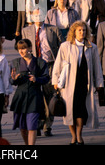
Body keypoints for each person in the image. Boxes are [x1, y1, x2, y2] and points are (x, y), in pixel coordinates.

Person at [52, 21, 104, 145]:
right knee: (70, 112)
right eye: (79, 30)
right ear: (74, 32)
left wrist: (99, 83)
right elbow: (58, 63)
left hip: (84, 84)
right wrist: (55, 80)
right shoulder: (65, 46)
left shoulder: (92, 47)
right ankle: (73, 136)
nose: (82, 32)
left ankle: (79, 136)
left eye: (84, 30)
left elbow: (97, 66)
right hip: (69, 85)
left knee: (81, 111)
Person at [22, 8, 63, 137]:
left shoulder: (53, 29)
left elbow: (62, 47)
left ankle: (47, 126)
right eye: (36, 15)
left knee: (49, 95)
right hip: (34, 66)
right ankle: (38, 123)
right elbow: (23, 49)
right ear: (32, 17)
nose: (38, 17)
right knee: (35, 97)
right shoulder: (26, 31)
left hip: (49, 65)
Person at [10, 39, 50, 145]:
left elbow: (46, 78)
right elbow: (11, 81)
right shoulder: (15, 62)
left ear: (30, 48)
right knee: (23, 127)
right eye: (19, 49)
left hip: (35, 96)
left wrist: (36, 79)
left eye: (23, 48)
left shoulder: (40, 62)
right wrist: (14, 79)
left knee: (32, 126)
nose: (21, 51)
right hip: (20, 97)